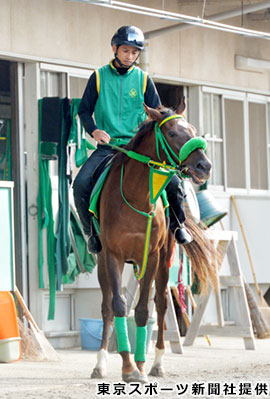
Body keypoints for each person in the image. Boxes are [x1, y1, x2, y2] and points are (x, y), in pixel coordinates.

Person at [73, 25, 192, 254]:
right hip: (109, 148)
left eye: (134, 52)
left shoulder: (144, 79)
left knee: (175, 183)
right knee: (80, 185)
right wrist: (95, 131)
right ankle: (92, 234)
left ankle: (178, 226)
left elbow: (159, 114)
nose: (129, 56)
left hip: (139, 149)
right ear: (114, 48)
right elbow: (84, 110)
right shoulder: (98, 77)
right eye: (125, 51)